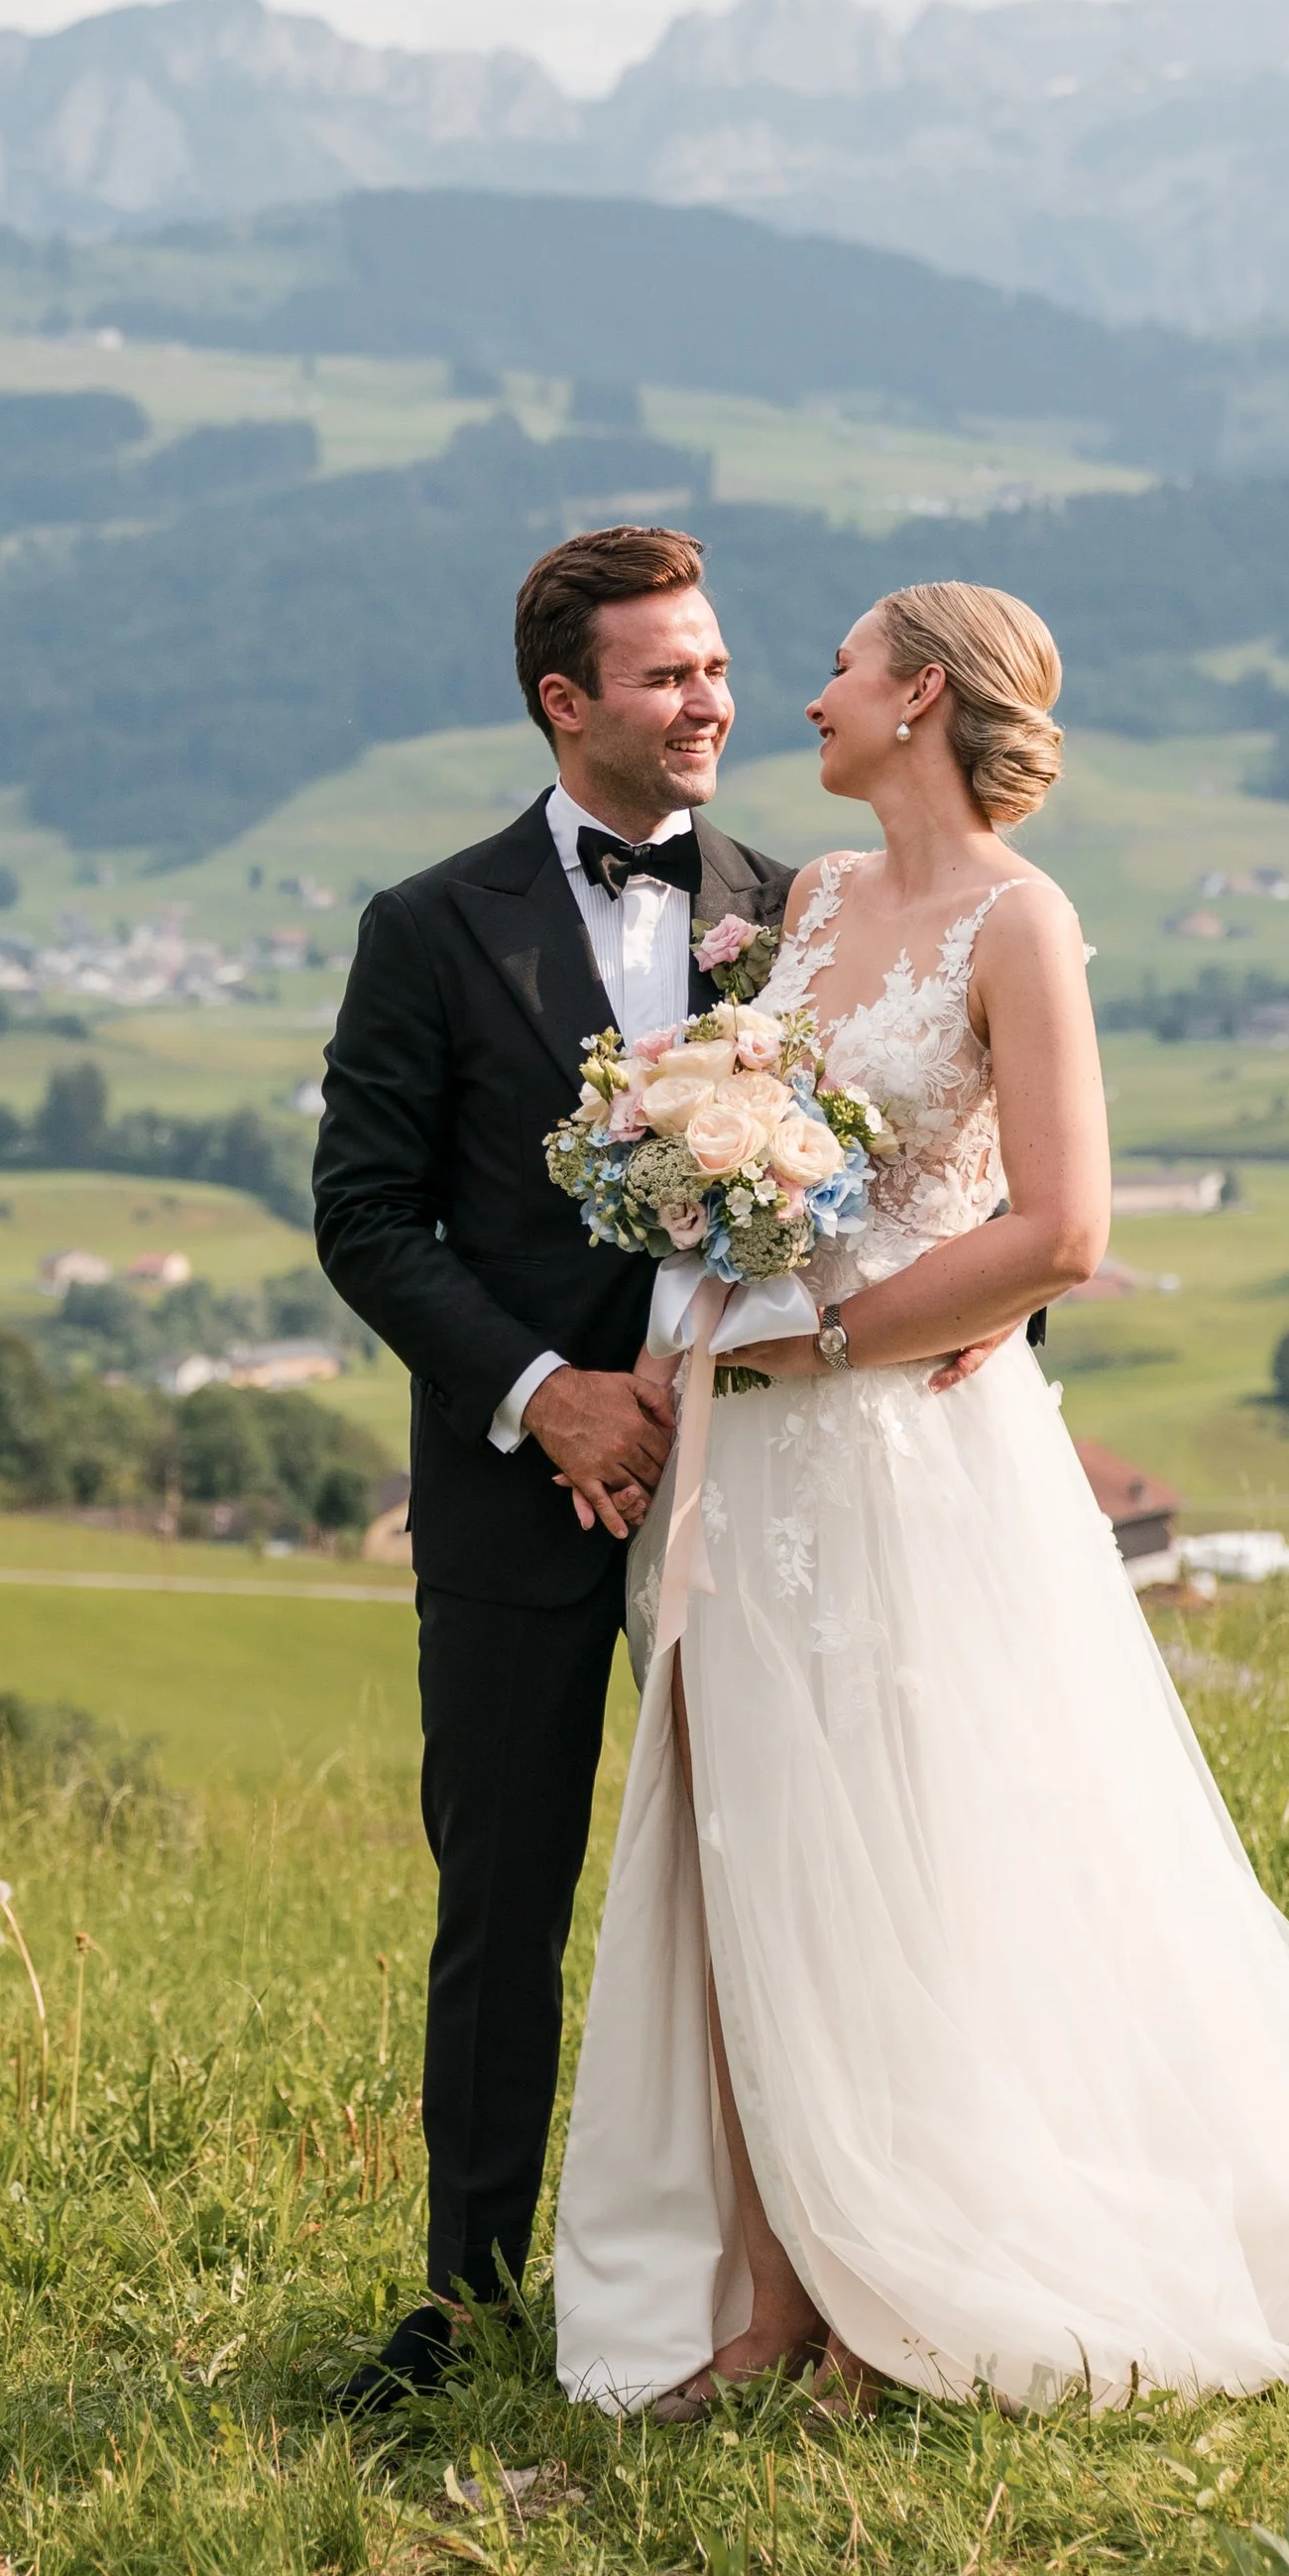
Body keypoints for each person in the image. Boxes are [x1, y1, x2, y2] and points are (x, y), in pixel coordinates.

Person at [553, 580, 1289, 2416]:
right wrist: (704, 1263)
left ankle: (916, 2284)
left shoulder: (1021, 925)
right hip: (757, 1449)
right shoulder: (806, 901)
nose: (807, 695)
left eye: (843, 668)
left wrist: (835, 1337)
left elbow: (1063, 1225)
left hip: (902, 1455)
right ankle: (784, 2291)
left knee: (927, 1854)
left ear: (920, 696)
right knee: (770, 1852)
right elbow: (773, 1153)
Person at [311, 525, 794, 2411]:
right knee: (501, 1895)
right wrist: (546, 1393)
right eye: (669, 673)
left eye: (721, 665)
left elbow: (887, 1168)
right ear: (563, 700)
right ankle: (473, 2299)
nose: (711, 702)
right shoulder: (428, 925)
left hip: (757, 1489)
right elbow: (365, 1217)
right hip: (519, 1493)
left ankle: (795, 2276)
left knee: (773, 1881)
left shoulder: (793, 900)